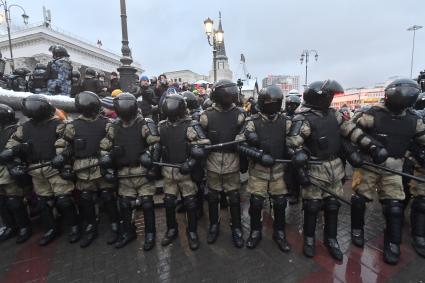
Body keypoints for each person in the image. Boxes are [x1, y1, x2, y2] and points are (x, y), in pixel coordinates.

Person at [345, 78, 425, 264]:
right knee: (359, 201)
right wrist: (353, 154)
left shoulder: (415, 121)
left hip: (394, 168)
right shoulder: (370, 115)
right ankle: (357, 229)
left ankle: (392, 243)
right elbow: (348, 134)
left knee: (395, 208)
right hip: (369, 165)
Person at [287, 80, 355, 261]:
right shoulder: (303, 118)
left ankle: (331, 239)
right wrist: (300, 161)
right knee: (312, 206)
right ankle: (309, 239)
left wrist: (367, 148)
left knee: (333, 206)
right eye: (328, 96)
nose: (331, 99)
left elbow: (350, 132)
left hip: (335, 167)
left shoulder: (335, 115)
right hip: (315, 168)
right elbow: (292, 144)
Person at [3, 95, 80, 246]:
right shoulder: (24, 128)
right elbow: (12, 144)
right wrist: (14, 151)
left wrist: (63, 156)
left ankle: (74, 226)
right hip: (35, 169)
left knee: (64, 200)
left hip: (55, 167)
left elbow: (70, 143)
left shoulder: (59, 124)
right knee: (44, 202)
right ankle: (51, 228)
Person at [54, 91, 119, 248]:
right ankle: (91, 226)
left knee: (107, 195)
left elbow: (115, 143)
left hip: (102, 166)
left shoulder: (107, 124)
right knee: (86, 197)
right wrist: (64, 161)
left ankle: (116, 224)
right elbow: (64, 146)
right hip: (82, 167)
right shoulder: (72, 126)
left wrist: (110, 159)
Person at [99, 93, 160, 249]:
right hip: (124, 171)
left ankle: (150, 233)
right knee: (125, 204)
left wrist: (152, 164)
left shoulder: (145, 123)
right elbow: (104, 147)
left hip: (141, 170)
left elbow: (155, 144)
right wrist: (107, 160)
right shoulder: (114, 126)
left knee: (147, 203)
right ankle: (128, 231)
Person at [238, 85, 291, 252]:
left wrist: (296, 154)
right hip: (258, 170)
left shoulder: (286, 122)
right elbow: (240, 145)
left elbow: (293, 143)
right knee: (256, 202)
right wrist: (259, 155)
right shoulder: (251, 122)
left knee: (280, 203)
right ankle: (255, 231)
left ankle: (279, 232)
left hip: (279, 170)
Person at [156, 94, 210, 250]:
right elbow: (158, 146)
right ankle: (171, 229)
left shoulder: (191, 125)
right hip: (168, 170)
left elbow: (203, 146)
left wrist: (191, 163)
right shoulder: (161, 126)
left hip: (185, 170)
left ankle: (192, 231)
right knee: (168, 201)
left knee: (190, 202)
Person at [200, 79, 246, 248]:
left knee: (234, 197)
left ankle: (237, 227)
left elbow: (245, 133)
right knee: (213, 197)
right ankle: (214, 224)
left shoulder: (239, 114)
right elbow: (199, 135)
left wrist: (241, 144)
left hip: (232, 161)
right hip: (213, 161)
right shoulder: (206, 115)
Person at [0, 104, 32, 244]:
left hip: (10, 168)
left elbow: (23, 149)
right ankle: (9, 226)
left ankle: (24, 227)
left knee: (14, 200)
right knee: (2, 201)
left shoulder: (15, 130)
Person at [284, 95, 302, 204]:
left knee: (296, 172)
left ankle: (295, 193)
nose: (291, 107)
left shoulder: (301, 118)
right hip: (285, 147)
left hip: (297, 148)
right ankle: (288, 190)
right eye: (289, 105)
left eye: (294, 105)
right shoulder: (283, 117)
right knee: (286, 172)